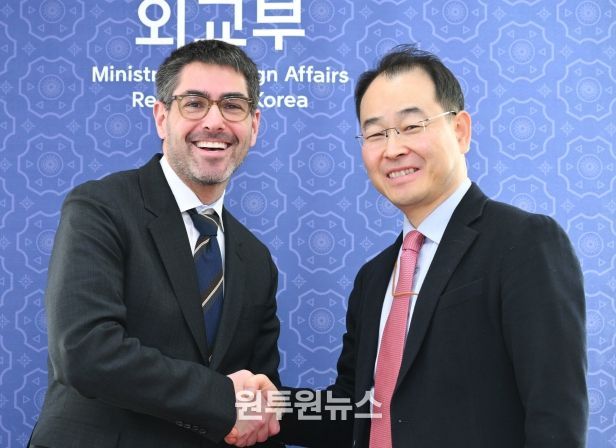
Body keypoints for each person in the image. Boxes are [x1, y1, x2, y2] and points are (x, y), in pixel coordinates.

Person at [235, 44, 588, 448]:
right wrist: (270, 406)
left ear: (460, 130)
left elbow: (555, 417)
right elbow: (358, 410)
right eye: (375, 134)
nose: (393, 149)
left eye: (411, 126)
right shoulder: (374, 278)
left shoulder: (523, 242)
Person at [29, 40, 283, 448]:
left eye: (232, 106)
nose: (214, 121)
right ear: (162, 117)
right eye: (194, 104)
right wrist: (221, 398)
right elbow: (85, 352)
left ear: (254, 125)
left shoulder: (255, 259)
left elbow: (258, 399)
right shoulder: (101, 207)